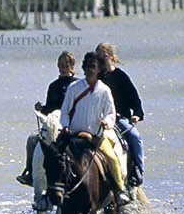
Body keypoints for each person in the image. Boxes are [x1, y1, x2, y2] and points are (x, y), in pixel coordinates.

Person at [56, 52, 128, 204]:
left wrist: (106, 123)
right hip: (73, 136)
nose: (90, 70)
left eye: (93, 67)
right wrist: (66, 126)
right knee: (54, 155)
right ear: (83, 68)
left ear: (98, 69)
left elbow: (110, 113)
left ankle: (119, 190)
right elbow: (64, 111)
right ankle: (50, 192)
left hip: (95, 137)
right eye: (87, 66)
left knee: (112, 158)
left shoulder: (104, 90)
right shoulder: (73, 88)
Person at [16, 50, 78, 187]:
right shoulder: (53, 86)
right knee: (32, 139)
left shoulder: (77, 85)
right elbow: (50, 108)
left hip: (70, 123)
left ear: (72, 66)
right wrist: (41, 108)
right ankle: (31, 174)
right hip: (53, 123)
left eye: (65, 65)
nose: (62, 68)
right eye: (60, 65)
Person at [94, 41, 145, 188]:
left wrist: (137, 114)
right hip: (99, 119)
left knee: (135, 137)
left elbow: (134, 98)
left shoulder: (121, 76)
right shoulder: (96, 78)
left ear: (110, 57)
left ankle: (137, 171)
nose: (101, 62)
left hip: (119, 118)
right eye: (98, 59)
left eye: (102, 58)